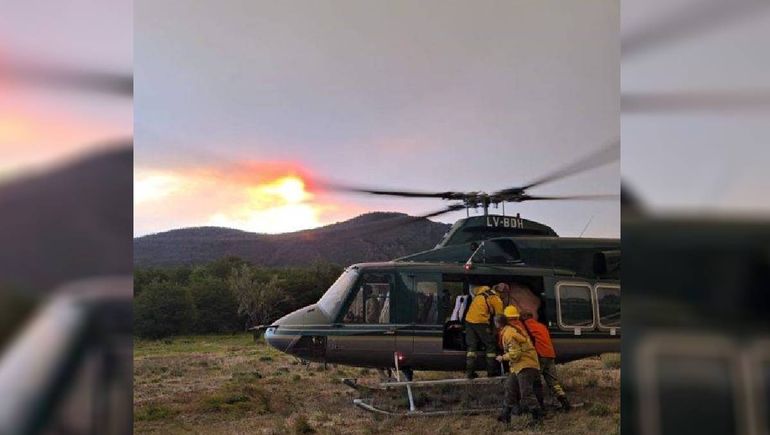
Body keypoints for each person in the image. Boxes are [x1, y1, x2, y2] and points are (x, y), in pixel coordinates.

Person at [495, 306, 544, 424]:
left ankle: (538, 418)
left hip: (525, 365)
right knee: (510, 388)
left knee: (526, 393)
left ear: (498, 323)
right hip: (519, 366)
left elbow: (515, 353)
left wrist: (502, 358)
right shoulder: (514, 328)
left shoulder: (508, 333)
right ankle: (505, 415)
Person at [521, 311, 571, 412]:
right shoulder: (541, 326)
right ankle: (564, 403)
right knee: (553, 382)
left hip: (539, 356)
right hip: (550, 354)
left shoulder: (525, 326)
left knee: (535, 381)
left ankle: (539, 407)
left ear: (524, 318)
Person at [464, 285, 503, 378]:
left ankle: (469, 372)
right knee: (490, 345)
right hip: (481, 322)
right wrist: (498, 331)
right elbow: (500, 318)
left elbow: (474, 290)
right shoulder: (497, 300)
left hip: (469, 320)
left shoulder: (483, 290)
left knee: (471, 347)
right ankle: (491, 372)